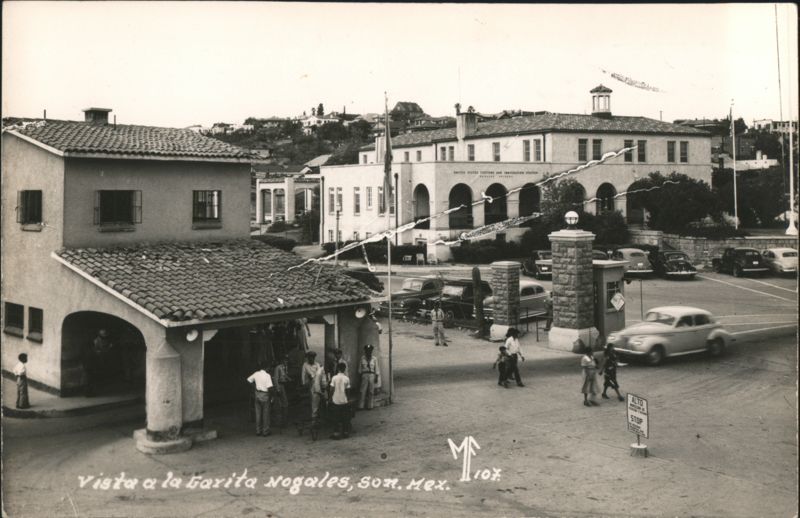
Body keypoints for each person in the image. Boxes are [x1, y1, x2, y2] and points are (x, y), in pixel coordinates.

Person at [246, 362, 274, 436]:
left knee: (258, 414)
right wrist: (272, 397)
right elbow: (270, 388)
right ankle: (265, 431)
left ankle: (258, 431)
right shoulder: (267, 375)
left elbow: (248, 380)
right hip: (265, 395)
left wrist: (254, 386)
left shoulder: (256, 373)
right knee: (266, 414)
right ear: (267, 368)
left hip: (257, 394)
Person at [85, 329, 113, 397]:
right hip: (94, 363)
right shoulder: (95, 342)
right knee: (91, 379)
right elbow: (98, 352)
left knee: (93, 379)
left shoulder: (104, 341)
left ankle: (91, 392)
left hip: (97, 362)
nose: (104, 336)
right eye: (103, 335)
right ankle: (89, 393)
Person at [301, 351, 326, 428]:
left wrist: (323, 384)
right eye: (310, 358)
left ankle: (320, 417)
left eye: (313, 357)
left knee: (323, 400)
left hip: (318, 384)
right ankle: (314, 419)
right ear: (308, 358)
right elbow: (303, 376)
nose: (311, 359)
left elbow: (321, 375)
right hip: (310, 385)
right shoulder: (305, 365)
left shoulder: (317, 365)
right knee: (314, 401)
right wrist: (304, 383)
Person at [329, 362, 352, 439]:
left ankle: (336, 433)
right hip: (344, 400)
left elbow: (331, 389)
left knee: (336, 417)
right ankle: (345, 432)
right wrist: (348, 399)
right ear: (344, 369)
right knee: (345, 417)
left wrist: (330, 398)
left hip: (336, 400)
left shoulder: (334, 378)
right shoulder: (347, 378)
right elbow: (348, 390)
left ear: (338, 369)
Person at [272, 354, 292, 428]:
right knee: (279, 405)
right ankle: (279, 423)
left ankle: (284, 422)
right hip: (279, 386)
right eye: (285, 360)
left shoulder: (284, 367)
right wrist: (277, 388)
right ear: (282, 360)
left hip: (283, 386)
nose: (286, 361)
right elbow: (276, 379)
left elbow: (284, 375)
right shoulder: (278, 367)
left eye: (287, 360)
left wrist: (288, 378)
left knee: (285, 404)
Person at [358, 344, 379, 410]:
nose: (368, 352)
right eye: (367, 351)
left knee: (371, 391)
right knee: (362, 391)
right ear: (365, 351)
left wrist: (376, 376)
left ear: (371, 351)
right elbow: (360, 368)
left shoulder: (374, 359)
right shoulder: (362, 358)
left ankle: (370, 406)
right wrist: (359, 376)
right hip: (364, 375)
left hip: (372, 375)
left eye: (370, 351)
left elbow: (377, 368)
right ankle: (361, 406)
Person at [580, 342, 600, 407]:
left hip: (593, 372)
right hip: (587, 373)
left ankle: (592, 399)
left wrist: (596, 366)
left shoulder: (591, 357)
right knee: (586, 386)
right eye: (591, 351)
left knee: (593, 386)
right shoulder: (584, 358)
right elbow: (584, 367)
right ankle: (585, 400)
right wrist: (588, 376)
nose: (592, 352)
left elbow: (594, 363)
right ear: (588, 352)